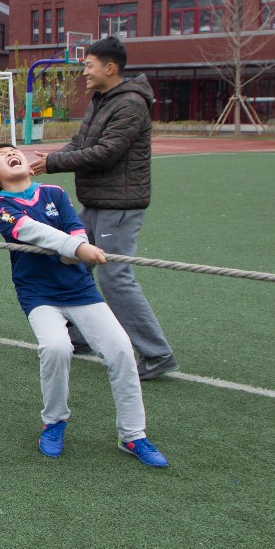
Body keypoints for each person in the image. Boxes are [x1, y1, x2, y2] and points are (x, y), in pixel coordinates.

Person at [0, 144, 169, 467]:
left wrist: (77, 247)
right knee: (56, 348)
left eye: (15, 151)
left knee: (121, 351)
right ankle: (54, 422)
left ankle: (132, 435)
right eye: (2, 156)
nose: (11, 154)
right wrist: (76, 247)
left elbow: (74, 226)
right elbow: (28, 231)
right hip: (38, 293)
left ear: (30, 167)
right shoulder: (0, 204)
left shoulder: (54, 193)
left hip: (79, 289)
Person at [29, 35, 179, 380]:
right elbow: (81, 143)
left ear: (110, 68)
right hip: (96, 202)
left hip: (120, 205)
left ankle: (157, 353)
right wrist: (48, 159)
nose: (84, 71)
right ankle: (79, 337)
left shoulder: (130, 104)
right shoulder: (102, 99)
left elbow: (106, 152)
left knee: (115, 276)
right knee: (73, 263)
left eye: (89, 65)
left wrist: (53, 163)